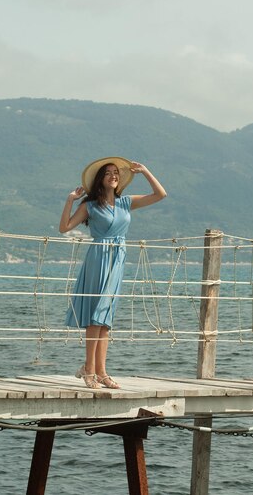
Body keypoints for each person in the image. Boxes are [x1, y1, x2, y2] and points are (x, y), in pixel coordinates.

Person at [59, 156, 167, 389]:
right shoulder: (89, 206)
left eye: (116, 172)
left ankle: (102, 372)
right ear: (100, 179)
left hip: (118, 259)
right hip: (98, 258)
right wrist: (70, 200)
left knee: (106, 319)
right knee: (95, 315)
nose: (113, 175)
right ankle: (89, 370)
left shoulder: (126, 203)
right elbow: (64, 228)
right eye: (108, 173)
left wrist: (146, 171)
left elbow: (160, 195)